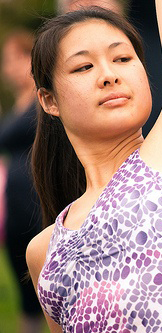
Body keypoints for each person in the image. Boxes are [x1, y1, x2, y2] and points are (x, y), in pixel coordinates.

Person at [26, 2, 162, 332]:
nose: (109, 75)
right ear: (49, 100)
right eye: (83, 67)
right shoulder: (44, 252)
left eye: (122, 58)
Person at [0, 29, 44, 333]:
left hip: (38, 204)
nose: (9, 67)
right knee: (22, 287)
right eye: (6, 61)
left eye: (17, 58)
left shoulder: (43, 103)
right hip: (13, 208)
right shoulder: (14, 106)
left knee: (45, 284)